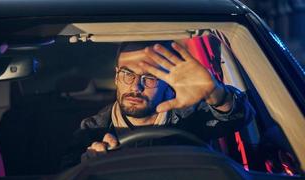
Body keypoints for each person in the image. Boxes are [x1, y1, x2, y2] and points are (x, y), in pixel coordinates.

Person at [62, 40, 254, 168]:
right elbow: (65, 179)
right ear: (116, 77)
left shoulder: (191, 116)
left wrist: (215, 92)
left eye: (150, 78)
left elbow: (239, 116)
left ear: (168, 83)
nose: (136, 86)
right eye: (127, 75)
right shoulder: (92, 131)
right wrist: (86, 166)